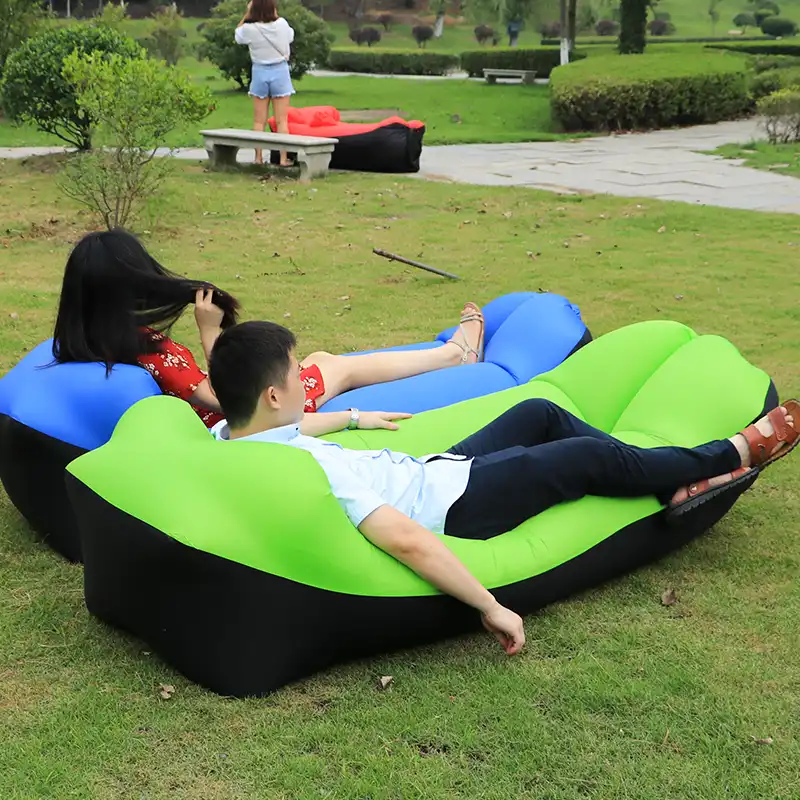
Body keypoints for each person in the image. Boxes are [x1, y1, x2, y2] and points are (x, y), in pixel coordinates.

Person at [207, 320, 799, 656]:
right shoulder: (315, 473)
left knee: (539, 412)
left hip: (434, 470)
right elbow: (405, 540)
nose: (305, 383)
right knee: (585, 457)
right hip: (458, 504)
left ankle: (653, 470)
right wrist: (491, 607)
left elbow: (291, 428)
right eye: (296, 373)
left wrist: (355, 417)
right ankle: (732, 454)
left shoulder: (227, 434)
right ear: (274, 395)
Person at [52, 230, 485, 433]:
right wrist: (210, 332)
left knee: (320, 360)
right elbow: (227, 397)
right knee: (337, 368)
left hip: (226, 412)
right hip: (246, 416)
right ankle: (453, 356)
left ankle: (448, 355)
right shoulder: (153, 352)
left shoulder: (89, 338)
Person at [235, 0, 295, 167]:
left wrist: (247, 14)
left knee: (258, 121)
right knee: (282, 120)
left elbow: (238, 36)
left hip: (260, 72)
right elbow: (290, 36)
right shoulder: (282, 24)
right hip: (280, 72)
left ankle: (258, 158)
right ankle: (283, 158)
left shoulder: (249, 29)